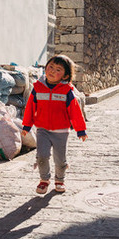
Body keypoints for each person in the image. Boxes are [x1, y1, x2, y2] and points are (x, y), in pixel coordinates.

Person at [21, 54, 87, 195]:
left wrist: (80, 130)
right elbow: (30, 108)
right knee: (42, 156)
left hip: (61, 132)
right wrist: (26, 125)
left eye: (58, 69)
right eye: (50, 67)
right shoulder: (38, 88)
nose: (52, 71)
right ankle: (44, 180)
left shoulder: (67, 92)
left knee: (60, 159)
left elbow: (75, 112)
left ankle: (60, 180)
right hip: (42, 129)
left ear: (65, 76)